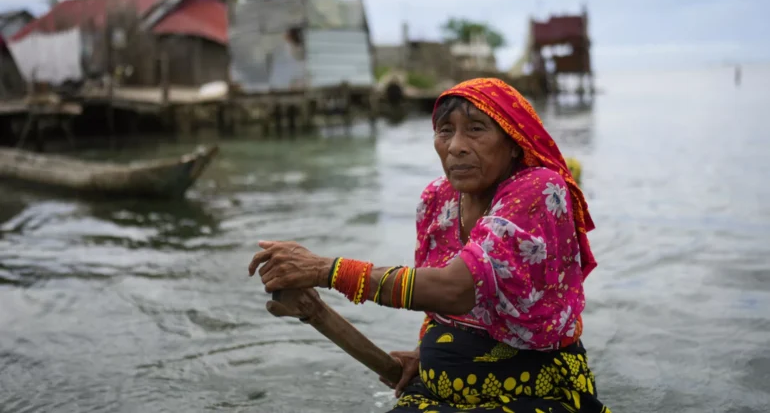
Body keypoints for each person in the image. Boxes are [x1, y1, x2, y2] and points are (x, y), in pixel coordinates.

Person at [249, 78, 610, 412]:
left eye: (476, 130)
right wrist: (425, 352)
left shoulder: (536, 189)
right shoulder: (438, 197)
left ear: (514, 142)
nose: (455, 147)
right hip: (436, 392)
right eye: (444, 131)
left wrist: (324, 270)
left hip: (531, 396)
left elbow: (455, 288)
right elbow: (435, 298)